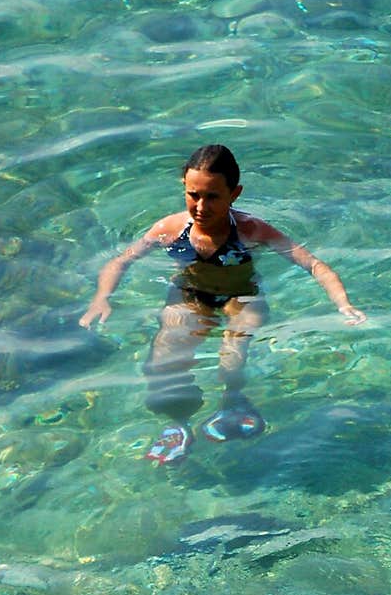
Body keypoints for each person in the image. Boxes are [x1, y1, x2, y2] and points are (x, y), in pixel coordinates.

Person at [79, 143, 366, 464]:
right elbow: (120, 261)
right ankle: (179, 424)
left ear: (235, 193)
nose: (200, 206)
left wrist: (343, 304)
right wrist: (101, 298)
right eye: (193, 195)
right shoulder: (169, 229)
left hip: (240, 297)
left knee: (233, 355)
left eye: (212, 196)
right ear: (184, 189)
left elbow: (313, 265)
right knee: (162, 362)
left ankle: (232, 401)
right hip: (190, 296)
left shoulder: (251, 230)